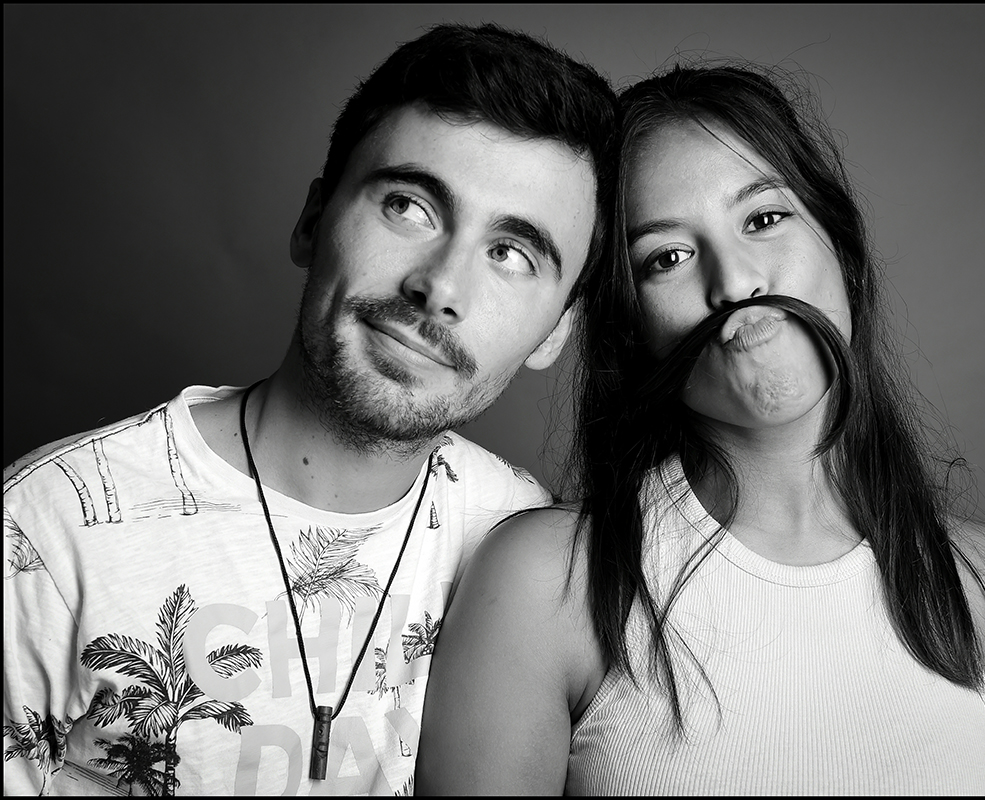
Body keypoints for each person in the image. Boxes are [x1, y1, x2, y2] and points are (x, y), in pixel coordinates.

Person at [414, 63, 985, 795]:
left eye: (764, 219)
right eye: (667, 258)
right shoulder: (545, 587)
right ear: (629, 326)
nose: (735, 283)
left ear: (841, 246)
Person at [2, 23, 618, 796]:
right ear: (312, 220)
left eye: (511, 255)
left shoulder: (526, 545)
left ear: (556, 331)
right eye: (409, 207)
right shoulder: (45, 532)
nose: (440, 287)